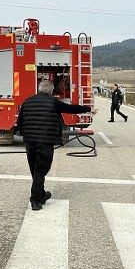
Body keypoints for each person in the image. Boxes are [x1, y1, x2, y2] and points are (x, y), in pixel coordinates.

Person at [16, 79, 93, 211]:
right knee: (41, 170)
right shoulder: (53, 102)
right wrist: (87, 108)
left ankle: (41, 195)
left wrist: (26, 136)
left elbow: (19, 123)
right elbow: (71, 108)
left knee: (35, 171)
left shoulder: (27, 101)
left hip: (30, 143)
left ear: (39, 89)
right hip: (45, 143)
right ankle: (35, 200)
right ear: (51, 91)